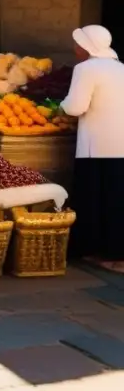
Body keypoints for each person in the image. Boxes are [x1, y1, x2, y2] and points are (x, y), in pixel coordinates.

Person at [61, 25, 124, 266]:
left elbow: (76, 107)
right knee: (116, 196)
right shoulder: (121, 68)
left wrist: (61, 107)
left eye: (78, 44)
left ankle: (90, 249)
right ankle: (116, 250)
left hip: (96, 144)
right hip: (120, 143)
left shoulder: (86, 69)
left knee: (93, 196)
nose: (75, 48)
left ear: (87, 46)